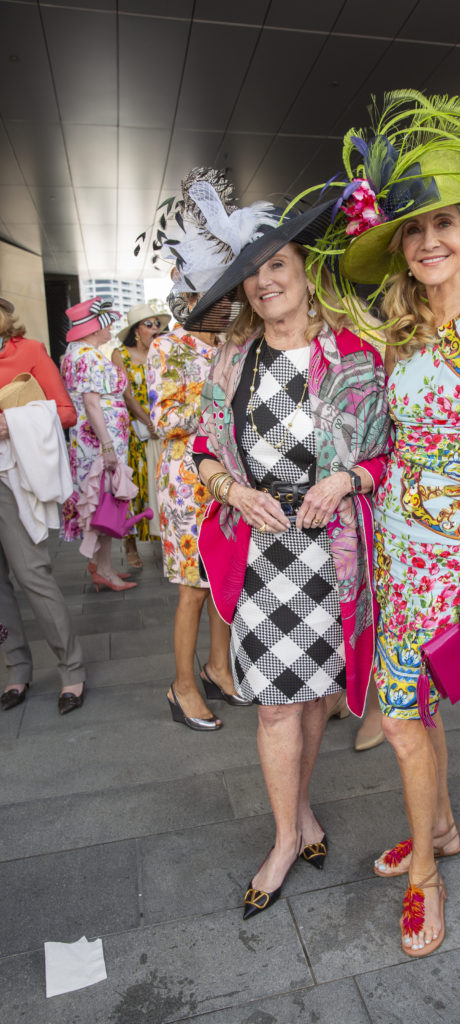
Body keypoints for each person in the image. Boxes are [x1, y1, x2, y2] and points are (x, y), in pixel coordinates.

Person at [305, 91, 460, 957]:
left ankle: (426, 882)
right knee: (418, 707)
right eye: (413, 229)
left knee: (404, 717)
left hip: (457, 556)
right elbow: (390, 439)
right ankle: (435, 828)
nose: (430, 240)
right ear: (399, 244)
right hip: (398, 551)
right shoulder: (403, 325)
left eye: (444, 223)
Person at [185, 197, 391, 920]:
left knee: (309, 697)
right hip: (262, 557)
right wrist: (234, 492)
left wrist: (346, 478)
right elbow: (202, 449)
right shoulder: (232, 357)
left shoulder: (357, 354)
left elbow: (388, 453)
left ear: (306, 271)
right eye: (252, 273)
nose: (264, 282)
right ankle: (283, 839)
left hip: (333, 558)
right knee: (275, 705)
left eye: (277, 264)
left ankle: (302, 815)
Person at [145, 168, 251, 731]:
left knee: (222, 577)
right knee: (192, 587)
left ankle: (218, 666)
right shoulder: (168, 346)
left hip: (225, 480)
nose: (227, 306)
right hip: (186, 485)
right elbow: (165, 420)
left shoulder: (231, 344)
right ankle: (181, 685)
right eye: (217, 297)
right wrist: (216, 405)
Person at [0, 296, 87, 714]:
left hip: (10, 477)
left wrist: (12, 422)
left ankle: (71, 669)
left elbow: (67, 412)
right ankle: (16, 668)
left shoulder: (28, 351)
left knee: (32, 573)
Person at [61, 297, 137, 594]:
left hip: (91, 442)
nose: (111, 329)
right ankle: (104, 570)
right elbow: (92, 404)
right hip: (99, 444)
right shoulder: (88, 357)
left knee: (100, 500)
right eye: (107, 324)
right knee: (106, 502)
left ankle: (99, 563)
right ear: (94, 328)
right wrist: (107, 446)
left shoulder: (74, 353)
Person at [112, 303, 169, 567]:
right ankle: (130, 545)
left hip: (163, 429)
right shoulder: (120, 354)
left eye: (158, 324)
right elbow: (126, 394)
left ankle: (165, 538)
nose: (156, 329)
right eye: (150, 324)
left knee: (162, 486)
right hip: (136, 432)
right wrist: (148, 421)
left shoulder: (163, 351)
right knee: (136, 489)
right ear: (136, 331)